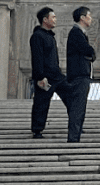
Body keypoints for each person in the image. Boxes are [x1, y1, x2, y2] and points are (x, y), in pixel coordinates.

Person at [30, 7, 76, 139]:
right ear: (45, 20)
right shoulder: (37, 36)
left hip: (57, 76)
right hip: (45, 77)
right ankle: (37, 131)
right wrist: (40, 77)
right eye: (53, 17)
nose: (55, 19)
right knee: (41, 104)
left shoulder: (50, 36)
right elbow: (37, 58)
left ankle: (75, 125)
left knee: (72, 97)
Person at [63, 7, 94, 142]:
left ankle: (76, 136)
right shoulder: (76, 33)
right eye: (89, 15)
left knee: (79, 108)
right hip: (79, 75)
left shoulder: (79, 33)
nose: (91, 18)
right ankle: (74, 138)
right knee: (77, 108)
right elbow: (87, 50)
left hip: (80, 75)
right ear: (82, 17)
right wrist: (92, 52)